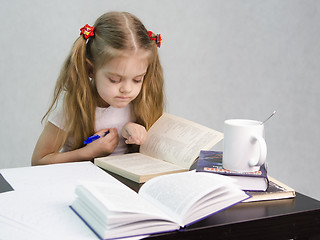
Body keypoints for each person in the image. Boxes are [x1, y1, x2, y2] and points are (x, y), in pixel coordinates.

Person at [31, 12, 164, 165]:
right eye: (114, 80)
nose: (127, 89)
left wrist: (132, 134)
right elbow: (38, 161)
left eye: (137, 80)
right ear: (91, 70)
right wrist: (87, 153)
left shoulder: (139, 105)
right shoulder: (73, 107)